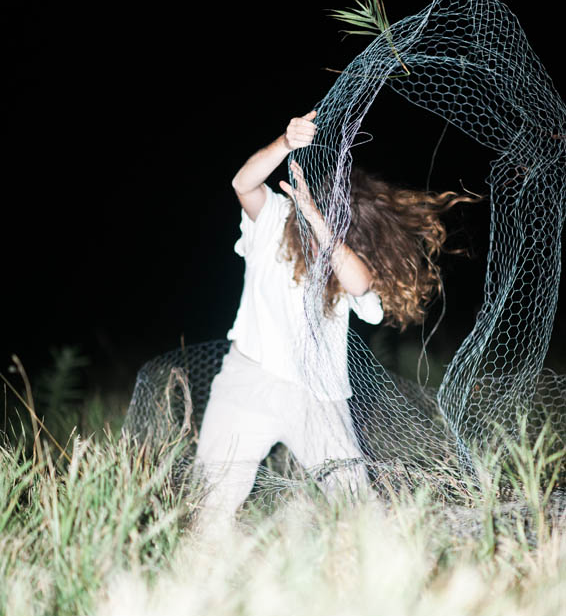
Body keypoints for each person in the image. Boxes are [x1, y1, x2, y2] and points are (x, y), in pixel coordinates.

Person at [195, 110, 472, 531]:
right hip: (248, 379)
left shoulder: (344, 262)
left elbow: (360, 284)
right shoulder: (274, 218)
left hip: (318, 396)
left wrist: (319, 223)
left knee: (358, 512)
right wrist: (285, 143)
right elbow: (243, 183)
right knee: (209, 506)